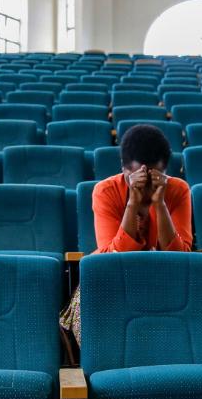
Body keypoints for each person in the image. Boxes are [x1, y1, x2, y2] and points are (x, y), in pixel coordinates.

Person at [59, 124, 193, 346]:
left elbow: (182, 257)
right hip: (113, 278)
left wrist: (159, 204)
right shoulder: (106, 191)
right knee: (90, 296)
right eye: (138, 177)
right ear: (123, 169)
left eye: (154, 177)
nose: (146, 185)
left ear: (165, 172)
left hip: (163, 277)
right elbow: (112, 258)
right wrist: (133, 203)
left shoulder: (178, 190)